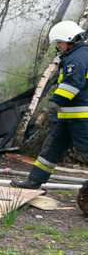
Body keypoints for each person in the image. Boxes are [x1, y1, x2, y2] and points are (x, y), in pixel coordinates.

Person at [12, 21, 88, 189]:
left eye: (59, 42)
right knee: (50, 149)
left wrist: (50, 108)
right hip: (68, 119)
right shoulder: (74, 56)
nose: (58, 46)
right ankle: (34, 181)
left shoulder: (77, 58)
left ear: (70, 40)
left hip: (82, 119)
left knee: (86, 151)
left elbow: (71, 86)